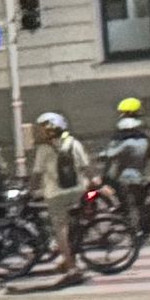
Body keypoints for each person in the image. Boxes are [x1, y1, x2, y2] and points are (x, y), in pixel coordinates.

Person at [28, 112, 96, 283]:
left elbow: (37, 174)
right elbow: (86, 167)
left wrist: (30, 190)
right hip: (78, 191)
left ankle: (71, 268)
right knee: (74, 225)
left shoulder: (43, 149)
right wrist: (94, 182)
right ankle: (69, 260)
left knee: (61, 230)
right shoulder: (74, 143)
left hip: (56, 194)